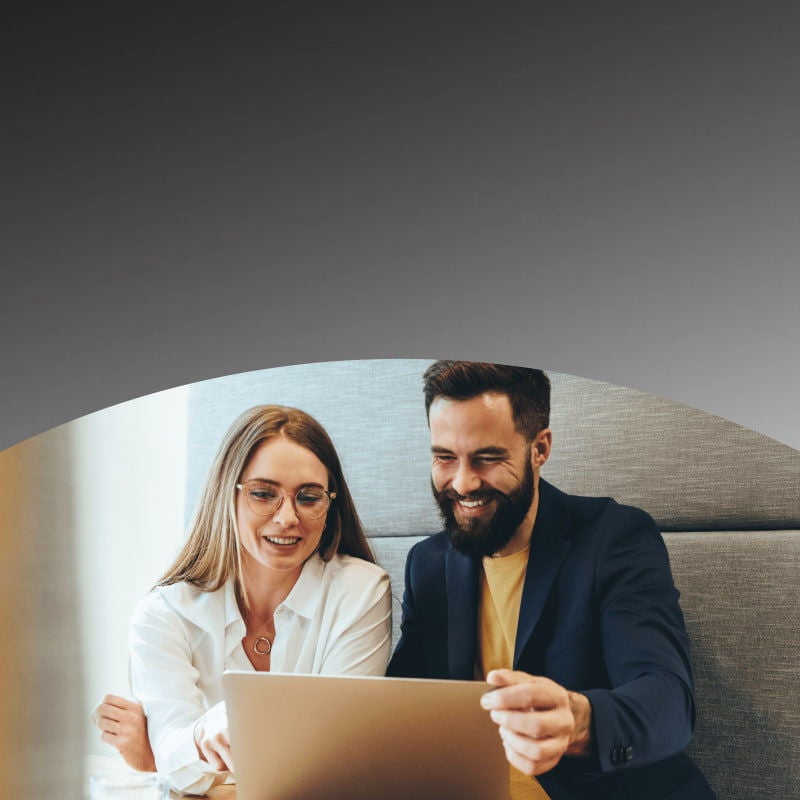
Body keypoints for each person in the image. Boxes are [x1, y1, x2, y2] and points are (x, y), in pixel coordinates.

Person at [387, 361, 716, 800]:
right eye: (444, 457)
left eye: (488, 458)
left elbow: (669, 702)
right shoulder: (427, 563)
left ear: (539, 448)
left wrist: (579, 720)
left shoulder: (614, 538)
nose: (462, 483)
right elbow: (399, 711)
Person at [92, 405, 392, 795]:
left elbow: (340, 759)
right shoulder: (162, 614)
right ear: (226, 494)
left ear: (329, 504)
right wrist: (195, 741)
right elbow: (173, 759)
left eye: (309, 497)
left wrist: (175, 758)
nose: (287, 517)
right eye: (264, 494)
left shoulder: (361, 591)